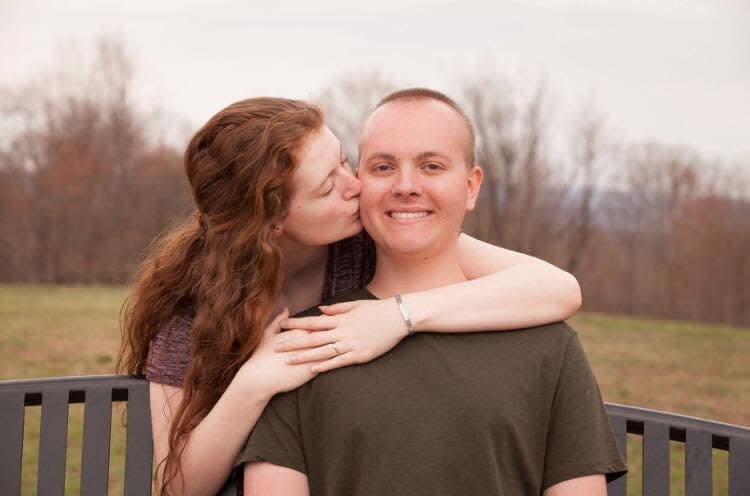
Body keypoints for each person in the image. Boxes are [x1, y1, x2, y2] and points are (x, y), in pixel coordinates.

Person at [118, 97, 583, 495]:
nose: (355, 185)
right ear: (273, 221)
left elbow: (556, 289)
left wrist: (398, 316)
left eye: (343, 160)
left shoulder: (366, 245)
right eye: (327, 187)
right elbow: (177, 484)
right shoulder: (191, 305)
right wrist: (256, 379)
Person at [238, 89, 627, 495]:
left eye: (432, 166)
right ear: (359, 184)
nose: (406, 186)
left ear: (471, 187)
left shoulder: (549, 345)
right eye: (383, 167)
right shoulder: (309, 342)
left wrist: (400, 315)